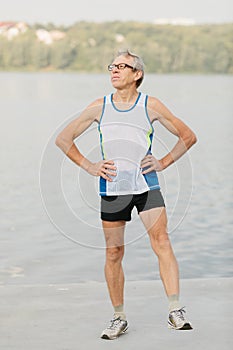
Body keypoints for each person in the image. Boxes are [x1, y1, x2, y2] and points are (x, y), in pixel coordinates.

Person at [55, 49, 197, 340]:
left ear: (137, 74)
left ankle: (175, 310)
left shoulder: (151, 105)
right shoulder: (99, 106)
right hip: (113, 189)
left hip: (147, 186)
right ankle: (119, 316)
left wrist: (163, 162)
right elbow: (63, 139)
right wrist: (91, 165)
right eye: (112, 66)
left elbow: (188, 136)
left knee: (162, 241)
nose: (114, 71)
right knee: (114, 252)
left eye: (122, 66)